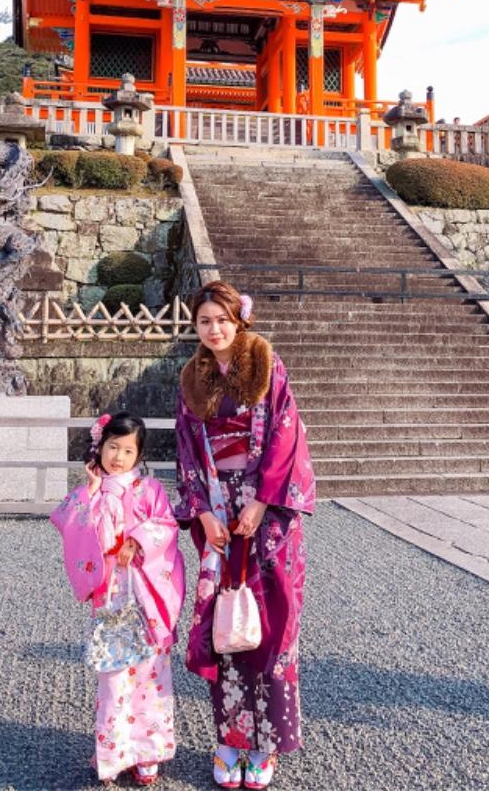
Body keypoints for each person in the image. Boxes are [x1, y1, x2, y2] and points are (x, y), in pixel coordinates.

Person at [173, 281, 315, 790]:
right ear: (195, 326)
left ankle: (266, 743)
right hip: (217, 509)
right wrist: (201, 512)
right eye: (204, 321)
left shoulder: (268, 367)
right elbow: (186, 449)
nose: (214, 330)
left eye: (222, 320)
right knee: (226, 623)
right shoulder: (192, 378)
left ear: (240, 321)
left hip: (268, 511)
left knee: (271, 622)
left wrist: (261, 502)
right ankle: (230, 739)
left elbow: (286, 435)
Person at [50, 412, 186, 787]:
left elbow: (167, 526)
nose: (119, 457)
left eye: (128, 450)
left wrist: (137, 541)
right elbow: (71, 526)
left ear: (139, 455)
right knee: (114, 675)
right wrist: (92, 490)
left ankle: (148, 752)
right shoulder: (91, 493)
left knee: (149, 672)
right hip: (111, 593)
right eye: (113, 447)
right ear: (100, 447)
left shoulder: (150, 490)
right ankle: (114, 752)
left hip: (145, 594)